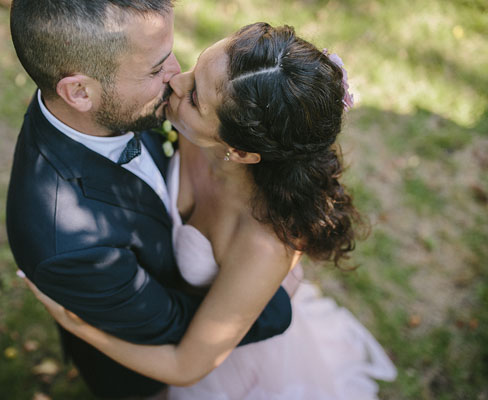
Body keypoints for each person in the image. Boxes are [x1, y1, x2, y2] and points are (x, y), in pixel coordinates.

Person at [23, 22, 398, 399]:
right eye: (197, 67)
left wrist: (79, 326)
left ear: (239, 152)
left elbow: (186, 367)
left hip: (223, 355)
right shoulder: (199, 120)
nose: (175, 81)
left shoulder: (264, 245)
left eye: (196, 98)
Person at [6, 2, 294, 399]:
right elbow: (175, 330)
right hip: (142, 374)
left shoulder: (112, 105)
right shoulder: (69, 244)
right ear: (79, 92)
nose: (177, 78)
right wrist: (275, 301)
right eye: (156, 69)